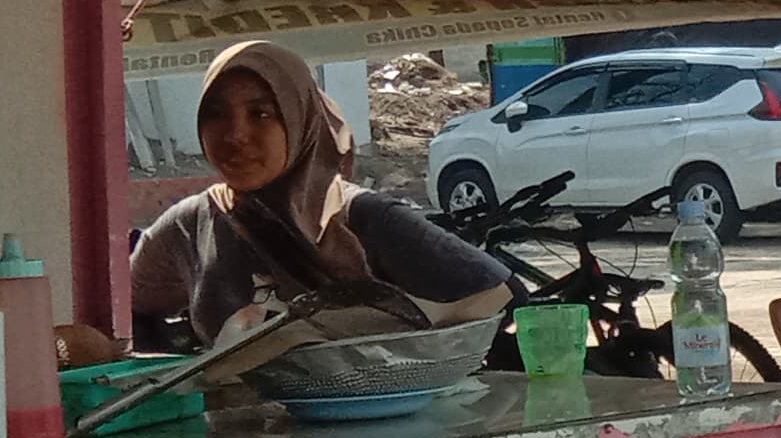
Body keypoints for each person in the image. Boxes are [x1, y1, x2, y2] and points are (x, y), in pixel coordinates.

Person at [118, 39, 513, 350]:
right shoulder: (191, 225)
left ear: (300, 120)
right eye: (215, 114)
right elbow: (124, 315)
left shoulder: (365, 217)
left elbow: (502, 295)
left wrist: (324, 330)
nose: (235, 135)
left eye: (261, 114)